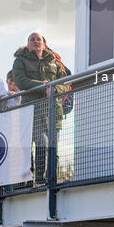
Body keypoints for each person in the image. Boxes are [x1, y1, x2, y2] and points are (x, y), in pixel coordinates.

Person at [12, 32, 71, 184]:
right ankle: (39, 178)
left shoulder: (54, 62)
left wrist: (54, 89)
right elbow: (20, 81)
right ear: (28, 44)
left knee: (53, 147)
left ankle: (51, 179)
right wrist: (42, 86)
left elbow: (65, 84)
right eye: (32, 39)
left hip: (53, 110)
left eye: (39, 39)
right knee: (41, 143)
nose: (36, 41)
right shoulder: (21, 61)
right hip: (33, 109)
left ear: (44, 44)